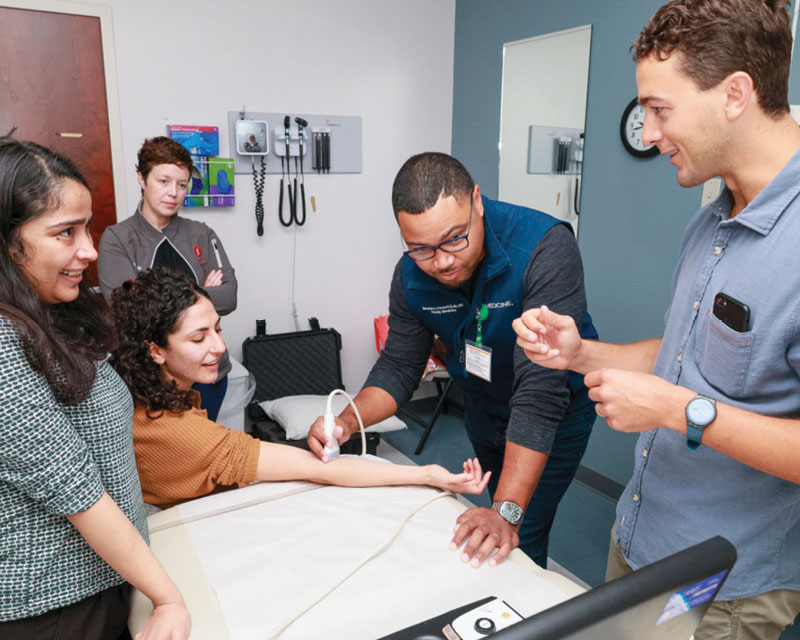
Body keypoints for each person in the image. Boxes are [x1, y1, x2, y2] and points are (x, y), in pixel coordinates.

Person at [514, 1, 800, 637]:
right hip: (642, 538)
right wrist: (579, 353)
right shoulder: (714, 217)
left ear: (735, 93)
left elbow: (683, 394)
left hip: (720, 582)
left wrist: (678, 410)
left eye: (660, 109)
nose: (647, 134)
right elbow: (684, 357)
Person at [308, 152, 598, 569]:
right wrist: (347, 421)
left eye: (454, 239)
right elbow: (399, 368)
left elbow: (539, 394)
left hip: (554, 412)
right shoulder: (410, 275)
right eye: (421, 248)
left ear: (477, 201)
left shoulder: (542, 247)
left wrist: (506, 513)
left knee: (519, 531)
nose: (441, 261)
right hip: (485, 407)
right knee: (492, 518)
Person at [0, 138, 190, 638]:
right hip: (55, 606)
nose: (87, 248)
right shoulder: (2, 343)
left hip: (110, 575)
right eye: (66, 233)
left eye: (85, 227)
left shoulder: (56, 311)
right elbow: (76, 489)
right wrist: (168, 599)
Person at [110, 267, 491, 510]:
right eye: (198, 338)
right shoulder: (183, 433)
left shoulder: (141, 395)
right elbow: (321, 470)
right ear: (155, 350)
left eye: (218, 330)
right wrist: (426, 476)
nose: (219, 347)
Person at [98, 136, 237, 421]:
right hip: (150, 381)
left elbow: (230, 295)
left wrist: (157, 300)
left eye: (182, 184)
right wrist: (201, 293)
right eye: (163, 181)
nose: (173, 192)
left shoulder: (201, 233)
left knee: (203, 454)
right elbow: (128, 312)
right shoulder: (118, 238)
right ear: (142, 178)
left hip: (207, 375)